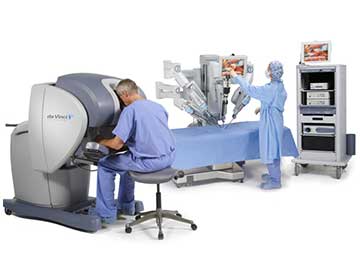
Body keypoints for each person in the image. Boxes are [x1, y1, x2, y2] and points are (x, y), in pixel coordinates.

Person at [90, 79, 176, 223]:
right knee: (126, 161)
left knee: (105, 164)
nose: (120, 101)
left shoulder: (130, 111)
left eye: (119, 97)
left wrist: (100, 140)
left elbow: (116, 145)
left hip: (150, 162)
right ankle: (126, 206)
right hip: (169, 157)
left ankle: (105, 214)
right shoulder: (158, 106)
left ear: (125, 94)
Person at [229, 61, 287, 190]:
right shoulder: (278, 86)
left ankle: (275, 181)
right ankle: (274, 175)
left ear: (271, 72)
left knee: (270, 149)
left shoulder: (269, 89)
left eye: (268, 69)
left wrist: (236, 76)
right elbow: (276, 101)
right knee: (274, 148)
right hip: (276, 119)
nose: (266, 71)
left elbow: (249, 89)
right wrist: (263, 107)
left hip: (271, 123)